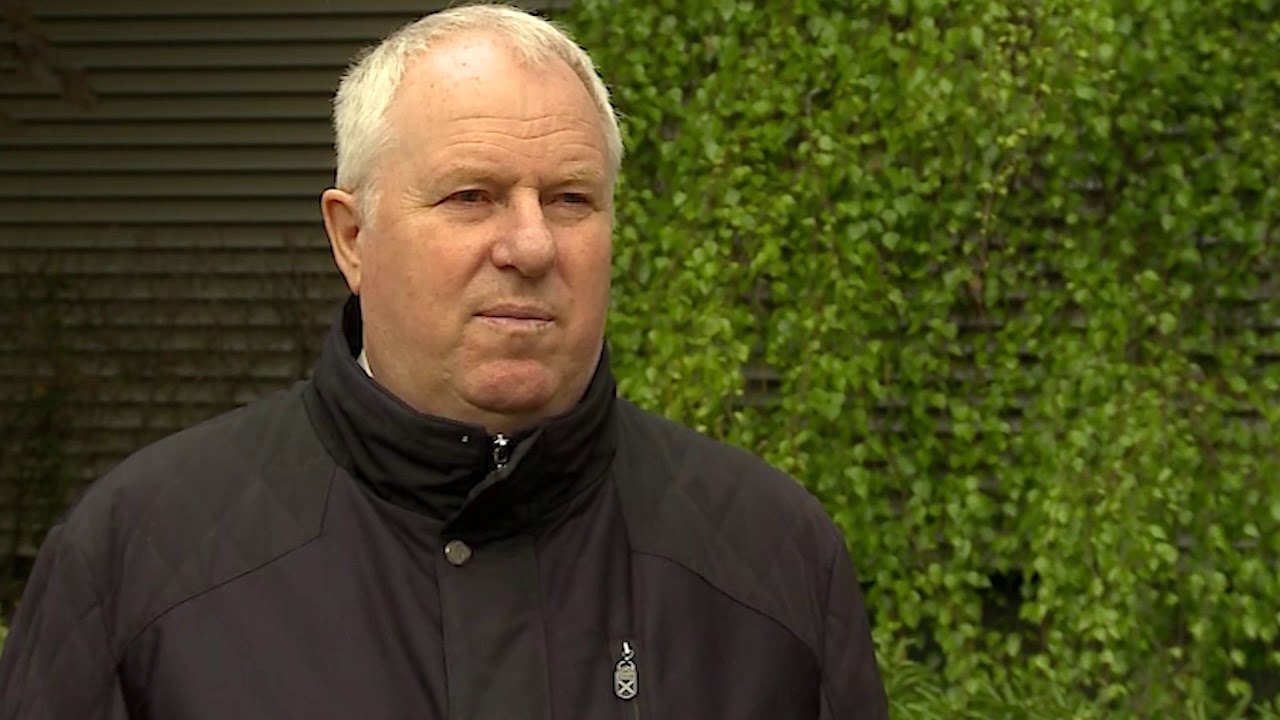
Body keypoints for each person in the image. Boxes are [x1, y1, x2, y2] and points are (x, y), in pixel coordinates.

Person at [0, 4, 888, 718]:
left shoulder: (770, 561)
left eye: (571, 199)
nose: (531, 245)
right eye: (472, 196)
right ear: (353, 237)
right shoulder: (140, 561)